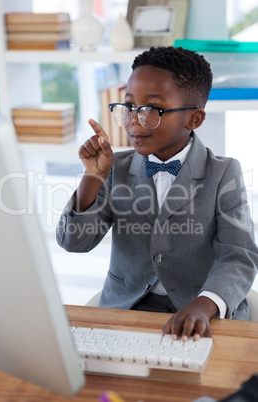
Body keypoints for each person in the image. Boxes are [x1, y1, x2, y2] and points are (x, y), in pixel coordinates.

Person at [56, 46, 258, 341]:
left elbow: (238, 255)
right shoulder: (116, 168)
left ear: (193, 119)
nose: (135, 120)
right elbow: (74, 243)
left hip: (199, 309)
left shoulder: (223, 172)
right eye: (129, 106)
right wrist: (92, 177)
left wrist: (205, 305)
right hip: (126, 308)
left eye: (152, 109)